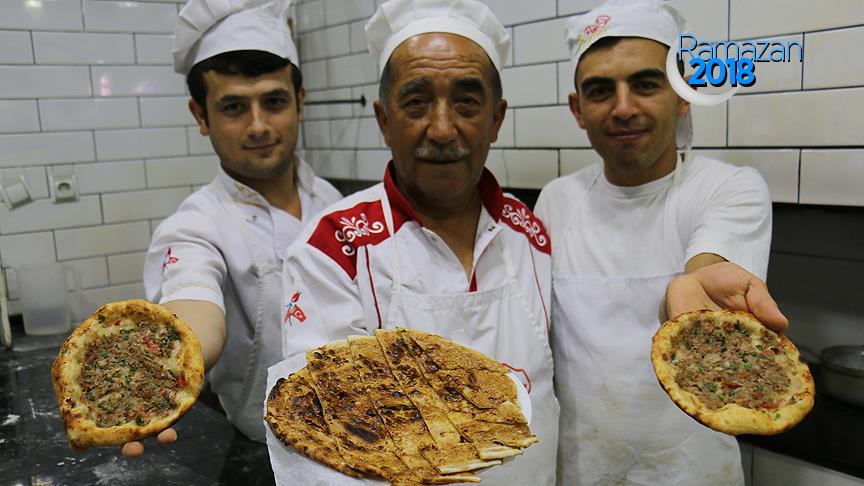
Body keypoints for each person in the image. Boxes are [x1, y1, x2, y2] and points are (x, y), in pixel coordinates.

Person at [263, 0, 560, 484]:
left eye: (466, 101)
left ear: (497, 119)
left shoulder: (531, 233)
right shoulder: (331, 249)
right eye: (416, 102)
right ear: (384, 120)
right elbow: (325, 439)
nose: (442, 130)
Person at [535, 0, 787, 484]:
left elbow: (705, 276)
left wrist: (686, 294)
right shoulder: (555, 201)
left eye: (646, 84)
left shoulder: (727, 187)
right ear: (578, 110)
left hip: (691, 472)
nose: (624, 108)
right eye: (601, 91)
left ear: (684, 91)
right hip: (580, 470)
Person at [124, 0, 341, 455]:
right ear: (200, 116)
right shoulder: (193, 226)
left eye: (274, 101)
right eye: (234, 107)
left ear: (300, 103)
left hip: (359, 435)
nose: (259, 125)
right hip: (261, 452)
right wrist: (168, 372)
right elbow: (192, 306)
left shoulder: (335, 205)